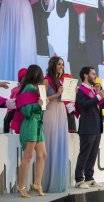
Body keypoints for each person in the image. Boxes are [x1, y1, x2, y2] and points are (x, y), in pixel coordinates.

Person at [16, 65, 47, 198]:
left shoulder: (37, 89)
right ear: (37, 75)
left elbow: (40, 107)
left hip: (38, 125)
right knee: (28, 157)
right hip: (30, 125)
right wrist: (38, 105)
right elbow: (26, 110)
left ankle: (37, 183)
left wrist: (44, 102)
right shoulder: (29, 88)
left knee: (42, 155)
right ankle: (21, 187)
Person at [56, 0, 104, 79]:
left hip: (91, 48)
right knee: (76, 83)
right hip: (75, 48)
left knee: (93, 83)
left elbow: (103, 15)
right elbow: (60, 13)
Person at [42, 56, 69, 193]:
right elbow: (41, 101)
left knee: (60, 145)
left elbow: (62, 97)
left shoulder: (60, 80)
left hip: (61, 112)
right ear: (53, 65)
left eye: (62, 65)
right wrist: (57, 94)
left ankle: (58, 181)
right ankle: (46, 183)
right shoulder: (46, 80)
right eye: (59, 64)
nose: (61, 67)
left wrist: (69, 94)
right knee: (51, 146)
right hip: (51, 113)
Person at [75, 66, 104, 189]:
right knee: (85, 153)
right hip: (87, 126)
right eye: (93, 74)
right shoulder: (81, 90)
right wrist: (97, 97)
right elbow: (83, 105)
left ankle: (89, 177)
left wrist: (98, 97)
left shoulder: (91, 90)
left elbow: (95, 106)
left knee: (92, 154)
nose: (95, 76)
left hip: (96, 126)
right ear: (86, 75)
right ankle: (79, 179)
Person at [0, 0, 37, 81]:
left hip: (23, 9)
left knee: (23, 46)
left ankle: (25, 87)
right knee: (5, 47)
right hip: (6, 8)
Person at [3, 68, 28, 133]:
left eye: (27, 77)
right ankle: (6, 134)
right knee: (7, 120)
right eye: (24, 77)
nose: (25, 78)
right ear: (20, 78)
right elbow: (11, 101)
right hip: (14, 110)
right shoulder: (15, 89)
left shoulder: (29, 88)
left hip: (23, 111)